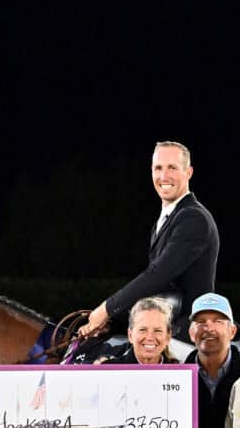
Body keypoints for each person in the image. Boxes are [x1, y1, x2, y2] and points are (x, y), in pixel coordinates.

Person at [78, 141, 219, 340]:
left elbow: (158, 275)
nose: (164, 176)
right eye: (158, 168)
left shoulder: (194, 218)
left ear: (189, 172)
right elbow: (158, 290)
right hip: (167, 325)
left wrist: (106, 309)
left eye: (172, 168)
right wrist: (114, 322)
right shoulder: (168, 219)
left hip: (187, 333)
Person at [99, 297, 179, 365]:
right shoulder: (108, 370)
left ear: (168, 337)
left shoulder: (181, 374)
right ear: (130, 335)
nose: (150, 337)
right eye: (143, 330)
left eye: (158, 330)